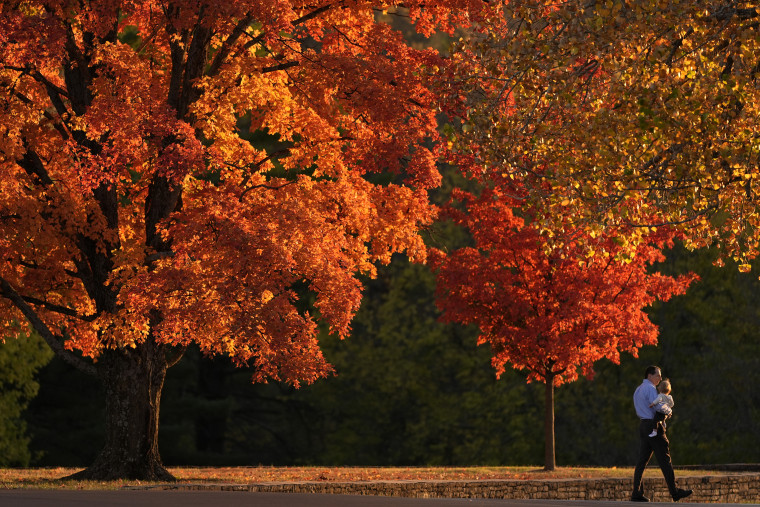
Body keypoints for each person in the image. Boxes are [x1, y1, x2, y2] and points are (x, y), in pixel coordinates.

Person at [631, 366, 692, 502]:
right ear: (649, 375)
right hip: (654, 426)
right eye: (657, 375)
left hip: (643, 425)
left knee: (642, 461)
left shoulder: (638, 389)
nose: (660, 378)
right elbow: (659, 406)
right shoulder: (651, 389)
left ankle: (636, 492)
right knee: (665, 459)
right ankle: (675, 492)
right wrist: (669, 411)